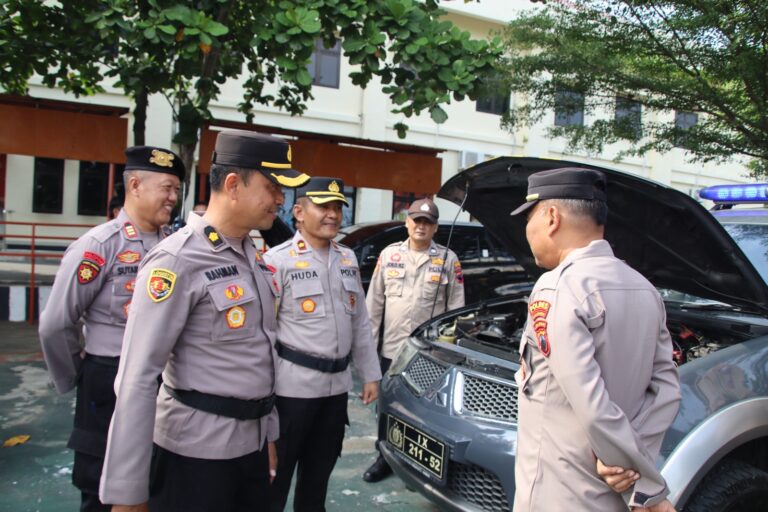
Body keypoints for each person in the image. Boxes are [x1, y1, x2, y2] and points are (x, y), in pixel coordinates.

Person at [98, 131, 310, 512]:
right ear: (233, 185)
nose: (281, 199)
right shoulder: (177, 260)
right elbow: (137, 378)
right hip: (195, 458)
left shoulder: (252, 256)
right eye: (272, 187)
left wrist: (268, 436)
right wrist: (128, 493)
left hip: (251, 450)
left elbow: (259, 357)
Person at [510, 167, 681, 512]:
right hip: (616, 493)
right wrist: (635, 471)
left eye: (529, 218)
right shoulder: (645, 289)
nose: (527, 230)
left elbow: (589, 400)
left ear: (551, 217)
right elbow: (666, 390)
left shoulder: (557, 287)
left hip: (558, 491)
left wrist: (624, 464)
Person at [38, 145, 185, 512]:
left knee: (158, 483)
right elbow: (55, 324)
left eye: (177, 190)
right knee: (103, 487)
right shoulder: (99, 246)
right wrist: (78, 374)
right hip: (109, 380)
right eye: (166, 188)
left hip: (166, 382)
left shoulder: (175, 246)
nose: (173, 197)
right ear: (134, 186)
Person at [264, 177, 381, 512]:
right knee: (276, 479)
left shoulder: (347, 258)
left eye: (338, 208)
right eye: (323, 207)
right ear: (299, 212)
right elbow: (265, 333)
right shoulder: (277, 260)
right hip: (292, 392)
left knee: (318, 478)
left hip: (336, 392)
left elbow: (359, 322)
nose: (332, 214)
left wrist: (370, 374)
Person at [362, 197, 465, 482]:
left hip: (430, 353)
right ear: (407, 222)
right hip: (393, 350)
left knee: (427, 410)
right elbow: (374, 307)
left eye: (427, 222)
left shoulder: (448, 259)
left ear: (435, 228)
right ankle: (384, 456)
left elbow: (456, 310)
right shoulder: (389, 255)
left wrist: (450, 351)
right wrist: (368, 355)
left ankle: (422, 460)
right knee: (387, 405)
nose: (421, 226)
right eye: (416, 220)